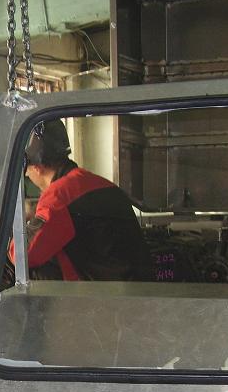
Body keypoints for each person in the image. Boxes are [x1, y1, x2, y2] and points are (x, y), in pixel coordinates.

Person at [10, 119, 150, 281]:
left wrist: (21, 220)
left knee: (15, 268)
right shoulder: (98, 183)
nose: (27, 175)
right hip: (134, 285)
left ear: (37, 168)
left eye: (26, 172)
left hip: (100, 293)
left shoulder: (59, 195)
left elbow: (22, 256)